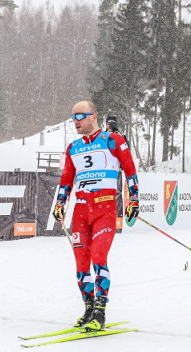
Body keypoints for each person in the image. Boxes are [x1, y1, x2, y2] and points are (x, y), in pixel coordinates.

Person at [52, 101, 139, 331]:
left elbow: (130, 171)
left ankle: (100, 311)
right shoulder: (73, 147)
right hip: (80, 212)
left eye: (80, 115)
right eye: (73, 117)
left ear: (94, 116)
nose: (76, 121)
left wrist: (134, 200)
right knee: (81, 264)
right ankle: (88, 307)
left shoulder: (113, 140)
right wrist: (60, 203)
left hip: (104, 210)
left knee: (99, 257)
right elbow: (66, 180)